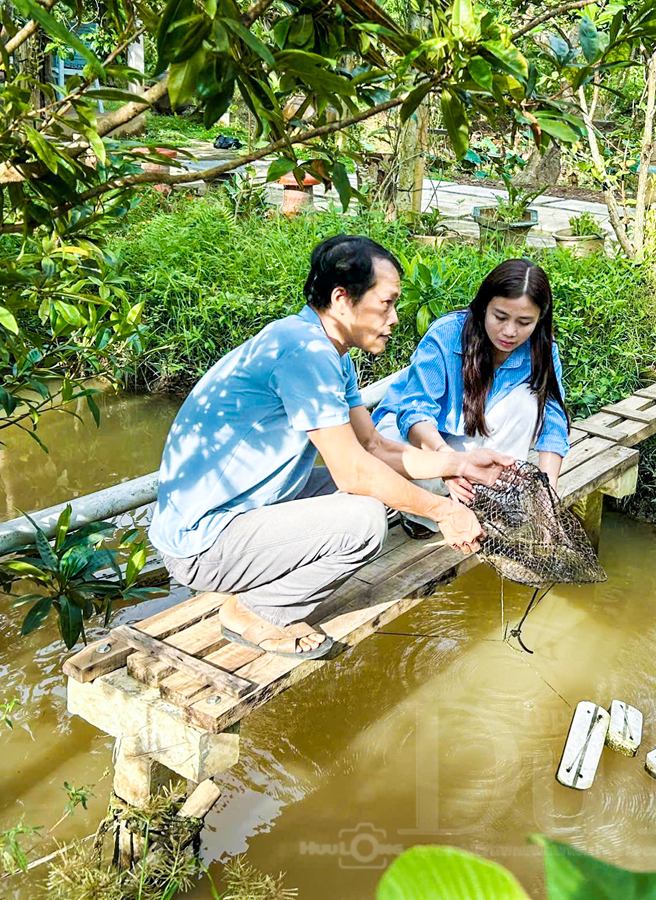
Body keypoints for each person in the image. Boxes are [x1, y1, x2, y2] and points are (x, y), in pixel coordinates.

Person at [149, 235, 513, 660]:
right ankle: (252, 610)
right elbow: (353, 472)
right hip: (202, 544)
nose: (395, 318)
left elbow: (373, 446)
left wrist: (459, 463)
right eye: (387, 304)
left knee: (390, 489)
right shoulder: (304, 352)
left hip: (245, 507)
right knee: (364, 521)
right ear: (342, 300)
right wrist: (444, 512)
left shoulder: (329, 350)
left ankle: (260, 583)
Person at [372, 258, 569, 536]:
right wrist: (447, 462)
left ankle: (489, 500)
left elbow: (553, 426)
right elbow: (415, 413)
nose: (510, 332)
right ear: (483, 307)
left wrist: (547, 500)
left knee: (528, 402)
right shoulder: (447, 334)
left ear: (539, 320)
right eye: (500, 317)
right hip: (414, 437)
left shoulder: (543, 351)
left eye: (524, 322)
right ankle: (420, 515)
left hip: (465, 438)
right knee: (398, 461)